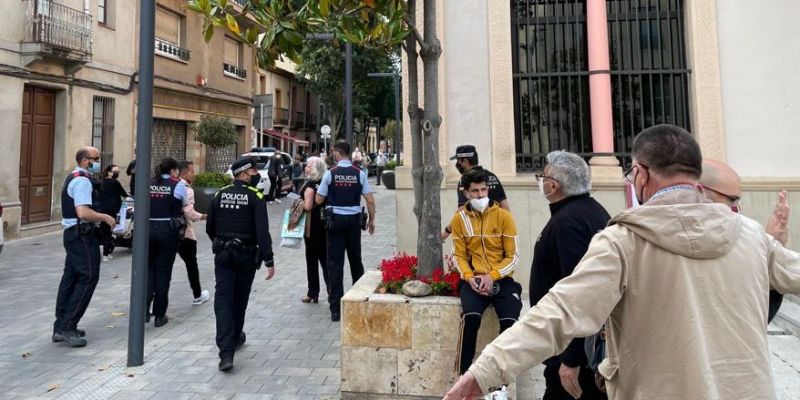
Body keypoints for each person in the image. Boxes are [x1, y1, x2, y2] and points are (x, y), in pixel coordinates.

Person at [444, 124, 800, 400]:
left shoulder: (624, 242)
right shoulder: (752, 236)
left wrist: (484, 372)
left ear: (641, 175)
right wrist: (772, 245)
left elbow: (559, 313)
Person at [532, 151, 610, 400]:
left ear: (553, 185)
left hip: (573, 352)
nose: (541, 181)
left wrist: (572, 359)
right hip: (577, 347)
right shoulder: (590, 210)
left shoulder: (569, 223)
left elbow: (582, 294)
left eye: (542, 176)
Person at [449, 169, 522, 375]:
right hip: (473, 280)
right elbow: (458, 255)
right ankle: (463, 375)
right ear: (466, 193)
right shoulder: (459, 219)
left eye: (483, 190)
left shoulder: (504, 217)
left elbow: (513, 256)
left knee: (510, 322)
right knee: (470, 318)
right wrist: (470, 278)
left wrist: (492, 276)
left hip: (502, 279)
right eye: (475, 191)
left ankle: (501, 378)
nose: (481, 195)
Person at [207, 157, 276, 371]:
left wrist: (221, 242)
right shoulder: (255, 197)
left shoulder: (220, 194)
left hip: (223, 255)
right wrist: (269, 259)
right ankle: (234, 337)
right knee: (239, 299)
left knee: (223, 300)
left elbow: (210, 227)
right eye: (254, 171)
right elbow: (262, 233)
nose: (257, 175)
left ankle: (226, 352)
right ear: (244, 174)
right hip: (246, 256)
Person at [700, 159, 790, 322]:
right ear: (701, 193)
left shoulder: (743, 240)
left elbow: (757, 316)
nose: (737, 208)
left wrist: (772, 249)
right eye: (732, 199)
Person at [53, 147, 115, 347]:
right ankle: (68, 326)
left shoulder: (74, 176)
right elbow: (83, 212)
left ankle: (60, 326)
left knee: (70, 278)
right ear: (84, 160)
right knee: (88, 277)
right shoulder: (81, 181)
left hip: (74, 235)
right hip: (81, 236)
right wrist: (105, 217)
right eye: (96, 159)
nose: (98, 162)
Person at [315, 140, 376, 322]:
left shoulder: (330, 174)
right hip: (353, 223)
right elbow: (370, 200)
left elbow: (318, 200)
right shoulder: (359, 173)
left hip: (334, 223)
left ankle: (336, 309)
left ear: (336, 154)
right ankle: (358, 301)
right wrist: (372, 220)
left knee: (335, 264)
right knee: (356, 261)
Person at [146, 157, 189, 327]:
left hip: (147, 229)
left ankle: (142, 312)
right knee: (163, 272)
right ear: (173, 170)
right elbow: (184, 204)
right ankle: (159, 315)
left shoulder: (148, 182)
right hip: (168, 230)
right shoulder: (177, 184)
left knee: (147, 271)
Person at [442, 145, 510, 240]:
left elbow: (462, 210)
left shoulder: (465, 181)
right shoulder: (492, 177)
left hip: (475, 235)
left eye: (459, 161)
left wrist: (445, 232)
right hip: (496, 233)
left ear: (465, 161)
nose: (458, 164)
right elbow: (505, 208)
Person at [177, 160, 210, 306]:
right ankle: (197, 295)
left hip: (167, 232)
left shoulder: (170, 185)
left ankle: (151, 305)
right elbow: (190, 213)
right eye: (192, 171)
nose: (194, 174)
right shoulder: (186, 189)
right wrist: (206, 216)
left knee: (161, 268)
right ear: (183, 172)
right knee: (191, 265)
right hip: (184, 233)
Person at [300, 157, 329, 303]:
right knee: (325, 259)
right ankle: (331, 291)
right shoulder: (324, 182)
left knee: (312, 260)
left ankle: (313, 292)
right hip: (325, 226)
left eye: (308, 166)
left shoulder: (311, 185)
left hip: (312, 227)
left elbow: (308, 206)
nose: (305, 168)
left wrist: (297, 202)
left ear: (315, 169)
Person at [98, 164, 128, 262]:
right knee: (108, 231)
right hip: (112, 210)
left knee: (105, 230)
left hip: (101, 210)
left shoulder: (100, 183)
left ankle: (106, 252)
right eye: (115, 171)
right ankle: (106, 254)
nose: (117, 173)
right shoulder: (115, 183)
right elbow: (124, 194)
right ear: (109, 172)